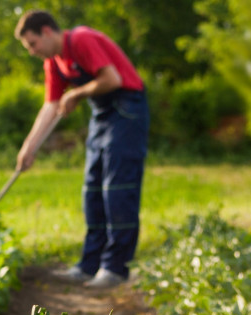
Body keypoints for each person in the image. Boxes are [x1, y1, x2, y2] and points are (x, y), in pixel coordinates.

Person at [14, 10, 149, 289]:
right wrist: (29, 148)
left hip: (127, 110)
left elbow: (112, 80)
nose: (31, 51)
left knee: (117, 189)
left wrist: (75, 93)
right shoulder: (54, 62)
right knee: (93, 189)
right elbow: (50, 106)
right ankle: (89, 266)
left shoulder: (82, 40)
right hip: (102, 115)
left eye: (32, 44)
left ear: (47, 32)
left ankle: (115, 268)